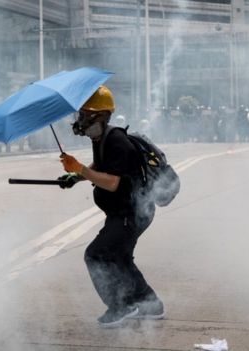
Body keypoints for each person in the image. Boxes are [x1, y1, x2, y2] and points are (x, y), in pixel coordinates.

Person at [58, 85, 164, 328]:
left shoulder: (116, 140)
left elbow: (114, 182)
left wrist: (80, 169)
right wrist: (77, 177)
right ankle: (151, 304)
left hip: (132, 212)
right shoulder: (102, 138)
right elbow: (103, 166)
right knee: (120, 258)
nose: (81, 120)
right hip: (127, 211)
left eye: (86, 115)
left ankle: (120, 306)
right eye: (81, 115)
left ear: (102, 116)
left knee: (96, 255)